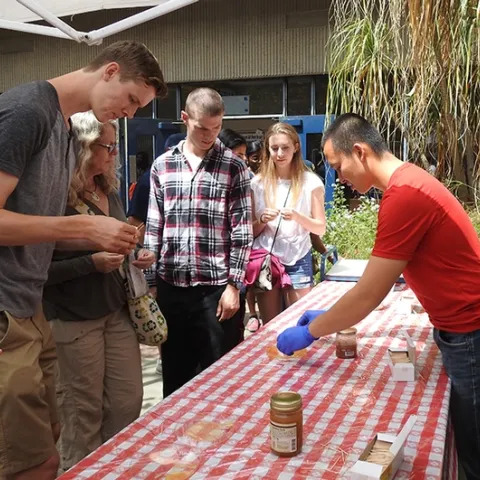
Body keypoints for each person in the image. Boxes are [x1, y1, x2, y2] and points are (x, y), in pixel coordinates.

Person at [276, 113, 480, 480]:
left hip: (470, 331)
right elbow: (385, 274)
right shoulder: (408, 182)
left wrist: (312, 332)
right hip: (460, 328)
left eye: (339, 166)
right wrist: (335, 312)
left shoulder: (405, 196)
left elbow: (370, 291)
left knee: (474, 450)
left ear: (360, 151)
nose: (339, 177)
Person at [0, 41, 166, 480]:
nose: (129, 114)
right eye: (131, 100)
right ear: (110, 71)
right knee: (31, 462)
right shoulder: (27, 111)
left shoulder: (61, 126)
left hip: (29, 306)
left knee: (49, 452)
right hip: (10, 311)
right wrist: (82, 230)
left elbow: (38, 229)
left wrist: (114, 240)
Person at [42, 112, 155, 473]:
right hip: (74, 320)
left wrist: (136, 253)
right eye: (107, 146)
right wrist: (90, 263)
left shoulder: (107, 189)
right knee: (81, 416)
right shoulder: (52, 197)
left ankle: (113, 469)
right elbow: (37, 270)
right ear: (81, 148)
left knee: (127, 403)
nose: (113, 154)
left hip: (117, 311)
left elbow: (120, 241)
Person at [145, 88, 253, 397]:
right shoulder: (162, 166)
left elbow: (241, 231)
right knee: (175, 381)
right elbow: (154, 228)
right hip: (171, 287)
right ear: (185, 119)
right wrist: (151, 283)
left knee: (221, 381)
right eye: (202, 128)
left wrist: (235, 286)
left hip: (217, 290)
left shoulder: (234, 166)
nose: (209, 135)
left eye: (216, 128)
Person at [249, 122, 326, 325]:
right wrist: (261, 220)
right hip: (266, 258)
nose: (279, 154)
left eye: (285, 147)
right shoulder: (256, 184)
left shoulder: (311, 182)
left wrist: (299, 217)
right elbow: (250, 232)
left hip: (298, 256)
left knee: (300, 323)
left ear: (296, 147)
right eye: (274, 148)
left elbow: (320, 227)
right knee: (271, 325)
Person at [127, 131, 186, 378]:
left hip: (189, 269)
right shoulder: (148, 180)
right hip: (158, 266)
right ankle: (165, 359)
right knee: (164, 319)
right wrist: (146, 266)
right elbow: (135, 223)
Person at [218, 129, 260, 330]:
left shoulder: (245, 180)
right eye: (238, 154)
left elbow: (244, 231)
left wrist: (234, 284)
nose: (243, 160)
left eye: (244, 155)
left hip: (233, 272)